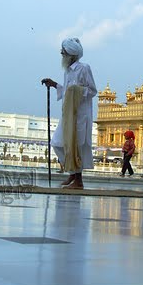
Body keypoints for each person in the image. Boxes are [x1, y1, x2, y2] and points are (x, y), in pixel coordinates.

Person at [41, 38, 97, 189]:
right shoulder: (67, 71)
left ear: (71, 54)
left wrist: (76, 91)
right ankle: (72, 173)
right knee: (57, 143)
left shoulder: (84, 68)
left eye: (63, 52)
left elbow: (92, 91)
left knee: (75, 146)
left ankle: (78, 181)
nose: (61, 53)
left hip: (80, 114)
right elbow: (66, 92)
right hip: (68, 115)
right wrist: (55, 85)